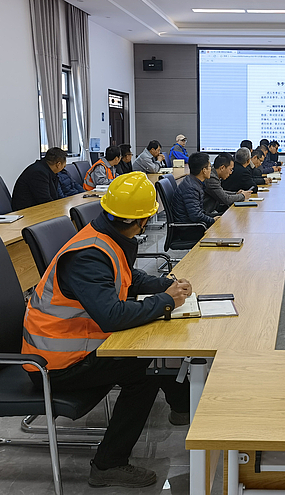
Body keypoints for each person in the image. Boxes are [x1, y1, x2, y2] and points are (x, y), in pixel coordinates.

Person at [22, 172, 192, 488]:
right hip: (55, 365)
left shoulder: (106, 235)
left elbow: (126, 277)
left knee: (155, 347)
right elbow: (111, 316)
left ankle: (183, 407)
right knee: (146, 367)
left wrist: (164, 285)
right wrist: (165, 301)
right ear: (142, 221)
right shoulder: (88, 255)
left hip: (76, 346)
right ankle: (108, 464)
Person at [170, 152, 216, 227]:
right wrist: (212, 220)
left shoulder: (192, 181)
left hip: (192, 222)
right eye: (210, 166)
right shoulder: (191, 188)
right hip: (189, 227)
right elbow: (195, 216)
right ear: (204, 170)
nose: (211, 169)